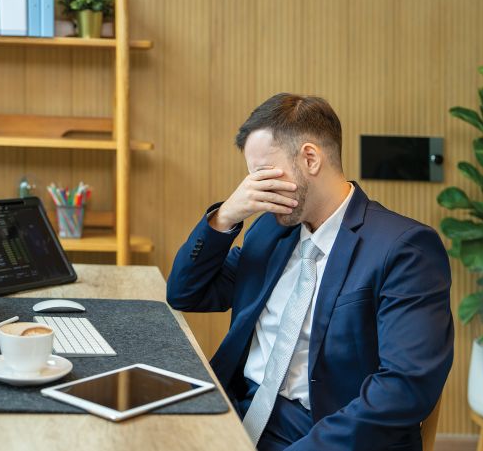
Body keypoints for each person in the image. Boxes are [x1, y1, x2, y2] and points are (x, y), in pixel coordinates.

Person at [166, 93, 453, 451]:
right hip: (238, 410)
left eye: (262, 173)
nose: (253, 188)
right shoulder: (270, 231)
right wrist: (226, 216)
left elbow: (403, 389)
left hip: (322, 434)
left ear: (310, 158)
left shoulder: (404, 248)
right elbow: (186, 292)